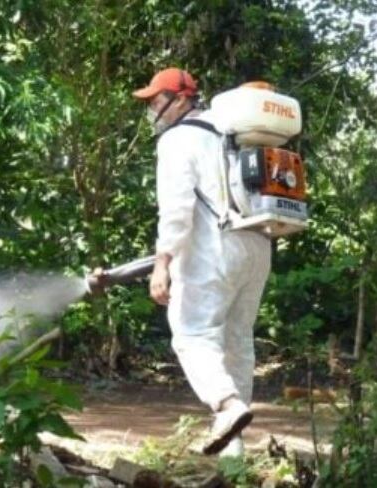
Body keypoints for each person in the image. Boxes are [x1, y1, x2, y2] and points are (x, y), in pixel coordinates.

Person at [132, 68, 272, 457]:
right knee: (237, 341)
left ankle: (227, 407)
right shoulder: (231, 130)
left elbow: (176, 209)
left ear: (181, 100)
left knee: (193, 333)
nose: (152, 111)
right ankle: (234, 451)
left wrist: (163, 263)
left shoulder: (178, 139)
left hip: (216, 247)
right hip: (258, 244)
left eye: (156, 101)